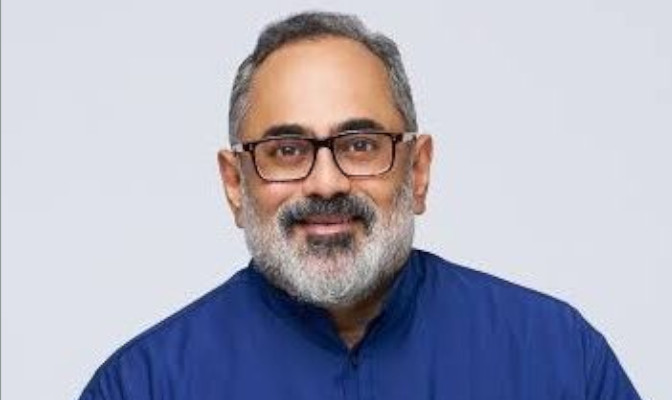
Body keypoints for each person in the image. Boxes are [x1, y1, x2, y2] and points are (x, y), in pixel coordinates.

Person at [78, 11, 642, 400]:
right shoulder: (145, 386)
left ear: (417, 170)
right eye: (287, 150)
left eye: (360, 145)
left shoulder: (557, 360)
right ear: (234, 184)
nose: (326, 183)